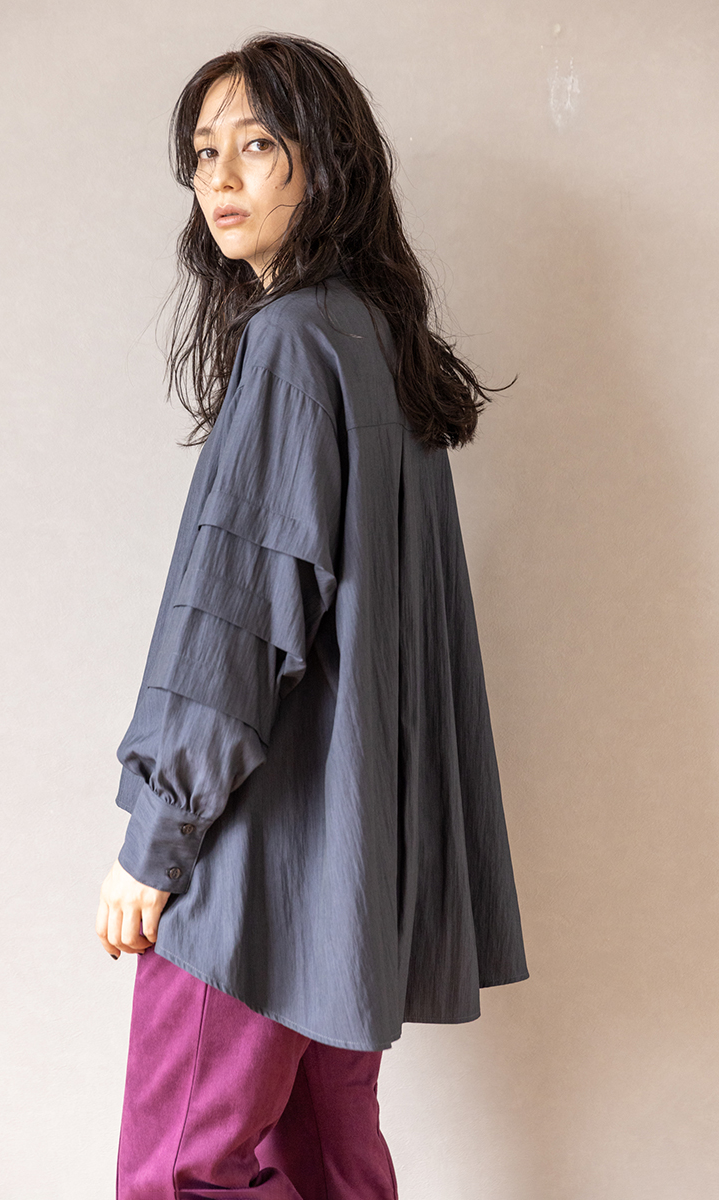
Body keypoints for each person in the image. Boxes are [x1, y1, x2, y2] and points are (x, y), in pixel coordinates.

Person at [95, 31, 529, 1200]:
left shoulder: (292, 343)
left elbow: (235, 619)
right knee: (334, 1165)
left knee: (176, 1173)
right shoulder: (374, 339)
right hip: (347, 879)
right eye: (204, 152)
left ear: (323, 162)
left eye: (256, 145)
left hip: (256, 874)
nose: (220, 177)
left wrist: (154, 842)